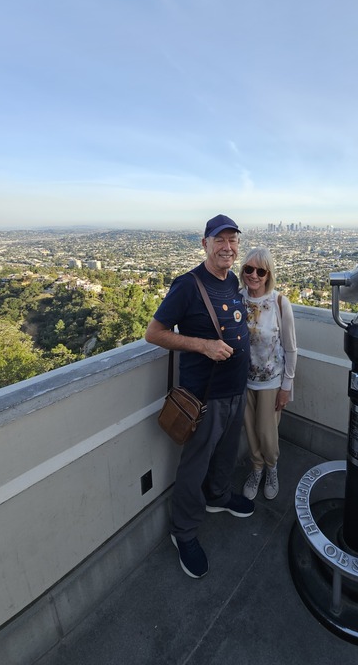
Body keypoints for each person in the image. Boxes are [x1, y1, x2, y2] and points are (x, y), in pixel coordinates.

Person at [145, 214, 253, 579]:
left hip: (236, 387)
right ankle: (184, 531)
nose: (227, 247)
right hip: (204, 394)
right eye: (219, 240)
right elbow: (155, 333)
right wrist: (202, 345)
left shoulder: (232, 279)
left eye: (233, 240)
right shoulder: (188, 285)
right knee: (195, 465)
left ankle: (219, 496)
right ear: (204, 244)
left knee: (226, 453)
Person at [239, 247, 297, 501]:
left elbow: (291, 348)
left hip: (271, 381)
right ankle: (257, 469)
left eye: (260, 271)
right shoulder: (236, 299)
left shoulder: (279, 304)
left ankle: (271, 468)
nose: (254, 275)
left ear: (268, 274)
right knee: (250, 430)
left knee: (266, 432)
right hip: (241, 380)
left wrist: (286, 386)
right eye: (248, 269)